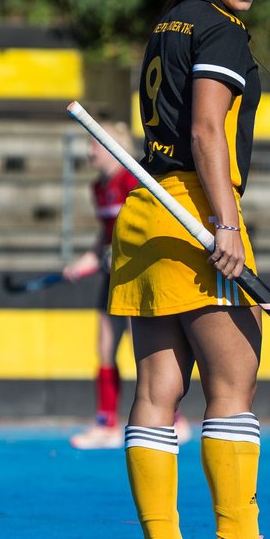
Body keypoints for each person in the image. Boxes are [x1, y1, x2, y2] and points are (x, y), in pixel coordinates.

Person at [108, 0, 270, 539]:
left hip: (144, 217)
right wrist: (226, 223)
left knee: (157, 393)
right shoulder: (222, 32)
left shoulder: (168, 26)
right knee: (233, 384)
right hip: (198, 210)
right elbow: (205, 132)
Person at [65, 124, 193, 450]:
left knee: (150, 354)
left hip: (140, 275)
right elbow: (106, 239)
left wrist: (117, 254)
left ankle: (174, 420)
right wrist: (86, 262)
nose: (90, 151)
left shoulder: (133, 181)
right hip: (112, 278)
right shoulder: (98, 188)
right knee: (105, 349)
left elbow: (148, 227)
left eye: (95, 144)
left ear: (111, 146)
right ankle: (106, 423)